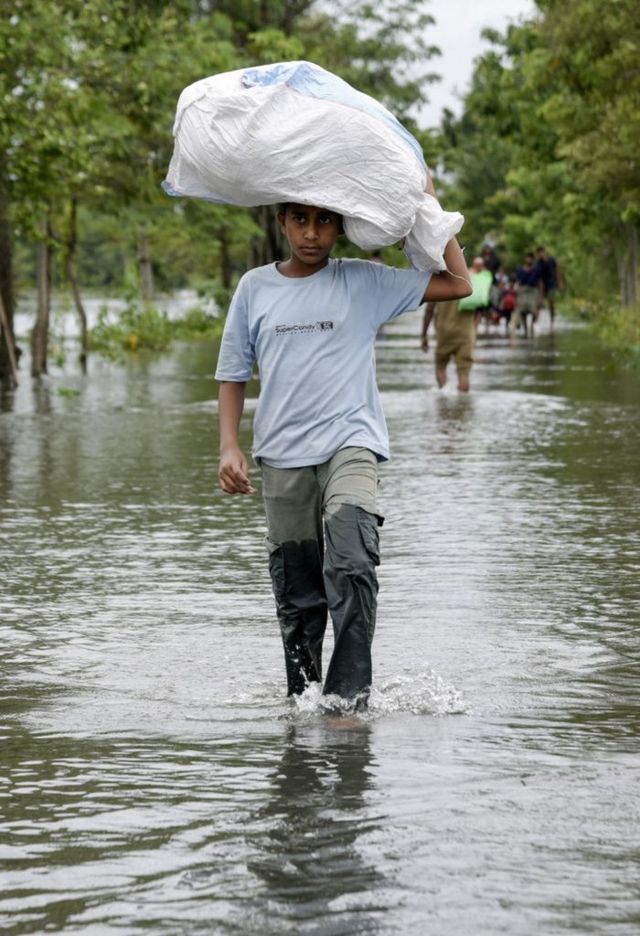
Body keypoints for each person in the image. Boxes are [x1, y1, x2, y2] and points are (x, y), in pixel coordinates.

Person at [215, 173, 471, 710]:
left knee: (352, 563)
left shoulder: (363, 281)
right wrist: (228, 446)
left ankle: (348, 702)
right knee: (298, 595)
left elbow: (457, 283)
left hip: (350, 445)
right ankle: (304, 703)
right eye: (301, 219)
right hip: (282, 457)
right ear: (282, 220)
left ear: (341, 227)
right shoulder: (254, 289)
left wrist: (430, 204)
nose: (312, 233)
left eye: (325, 220)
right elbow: (234, 371)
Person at [420, 295, 475, 392]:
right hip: (466, 333)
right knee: (464, 371)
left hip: (444, 332)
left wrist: (424, 334)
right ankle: (462, 403)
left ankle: (444, 394)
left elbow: (429, 310)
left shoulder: (440, 282)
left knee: (440, 366)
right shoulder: (471, 281)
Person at [513, 251, 543, 338]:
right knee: (522, 311)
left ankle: (532, 324)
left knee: (534, 310)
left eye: (530, 258)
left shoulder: (536, 269)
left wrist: (540, 296)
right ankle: (526, 329)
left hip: (533, 290)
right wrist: (516, 292)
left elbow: (540, 283)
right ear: (525, 259)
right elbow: (518, 282)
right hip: (523, 290)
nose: (529, 259)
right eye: (527, 257)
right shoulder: (520, 269)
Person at [535, 245, 561, 330]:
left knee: (551, 301)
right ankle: (536, 321)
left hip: (552, 284)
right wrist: (541, 293)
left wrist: (559, 282)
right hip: (543, 285)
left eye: (542, 252)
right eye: (539, 253)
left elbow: (557, 271)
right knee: (538, 303)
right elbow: (539, 279)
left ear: (544, 252)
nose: (541, 254)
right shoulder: (538, 264)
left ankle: (552, 320)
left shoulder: (551, 260)